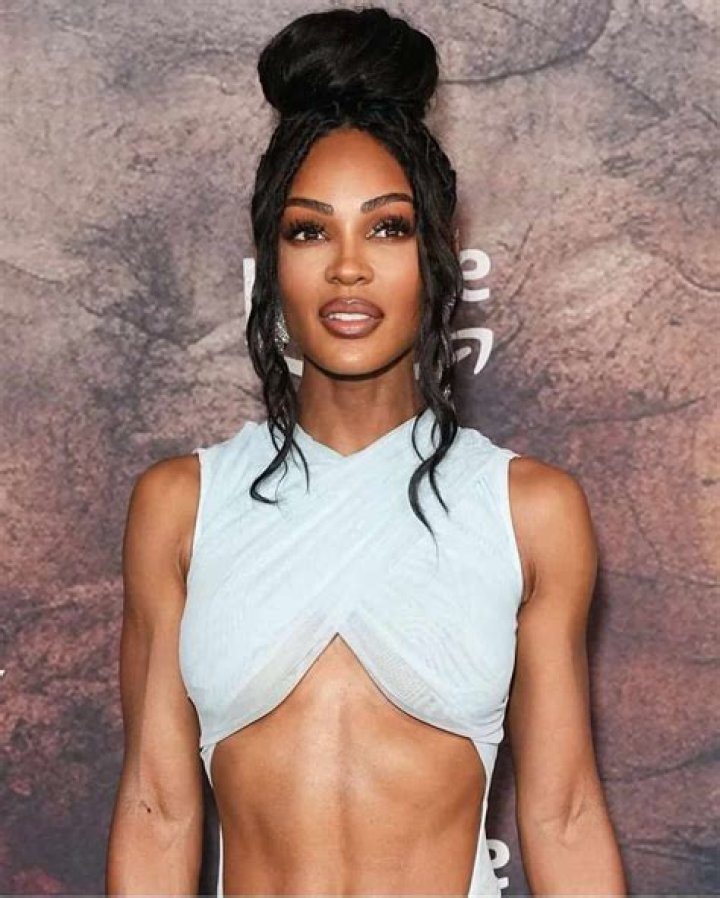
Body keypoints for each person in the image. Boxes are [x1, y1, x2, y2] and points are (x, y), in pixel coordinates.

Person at [106, 6, 627, 896]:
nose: (348, 266)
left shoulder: (530, 511)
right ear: (273, 262)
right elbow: (158, 810)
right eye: (310, 231)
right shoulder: (181, 507)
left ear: (437, 254)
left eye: (387, 227)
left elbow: (565, 815)